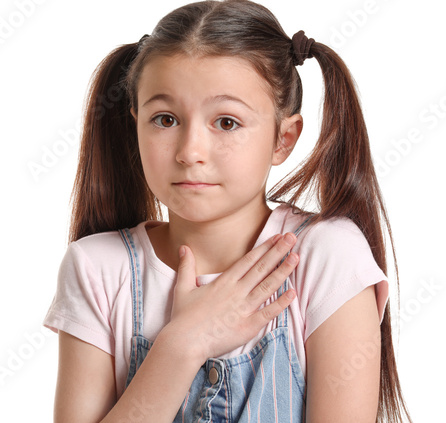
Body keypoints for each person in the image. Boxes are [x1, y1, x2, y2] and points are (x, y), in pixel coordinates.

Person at [43, 0, 412, 421]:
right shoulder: (96, 269)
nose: (190, 152)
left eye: (227, 122)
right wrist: (183, 344)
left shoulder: (326, 257)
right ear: (135, 124)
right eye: (165, 120)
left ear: (283, 138)